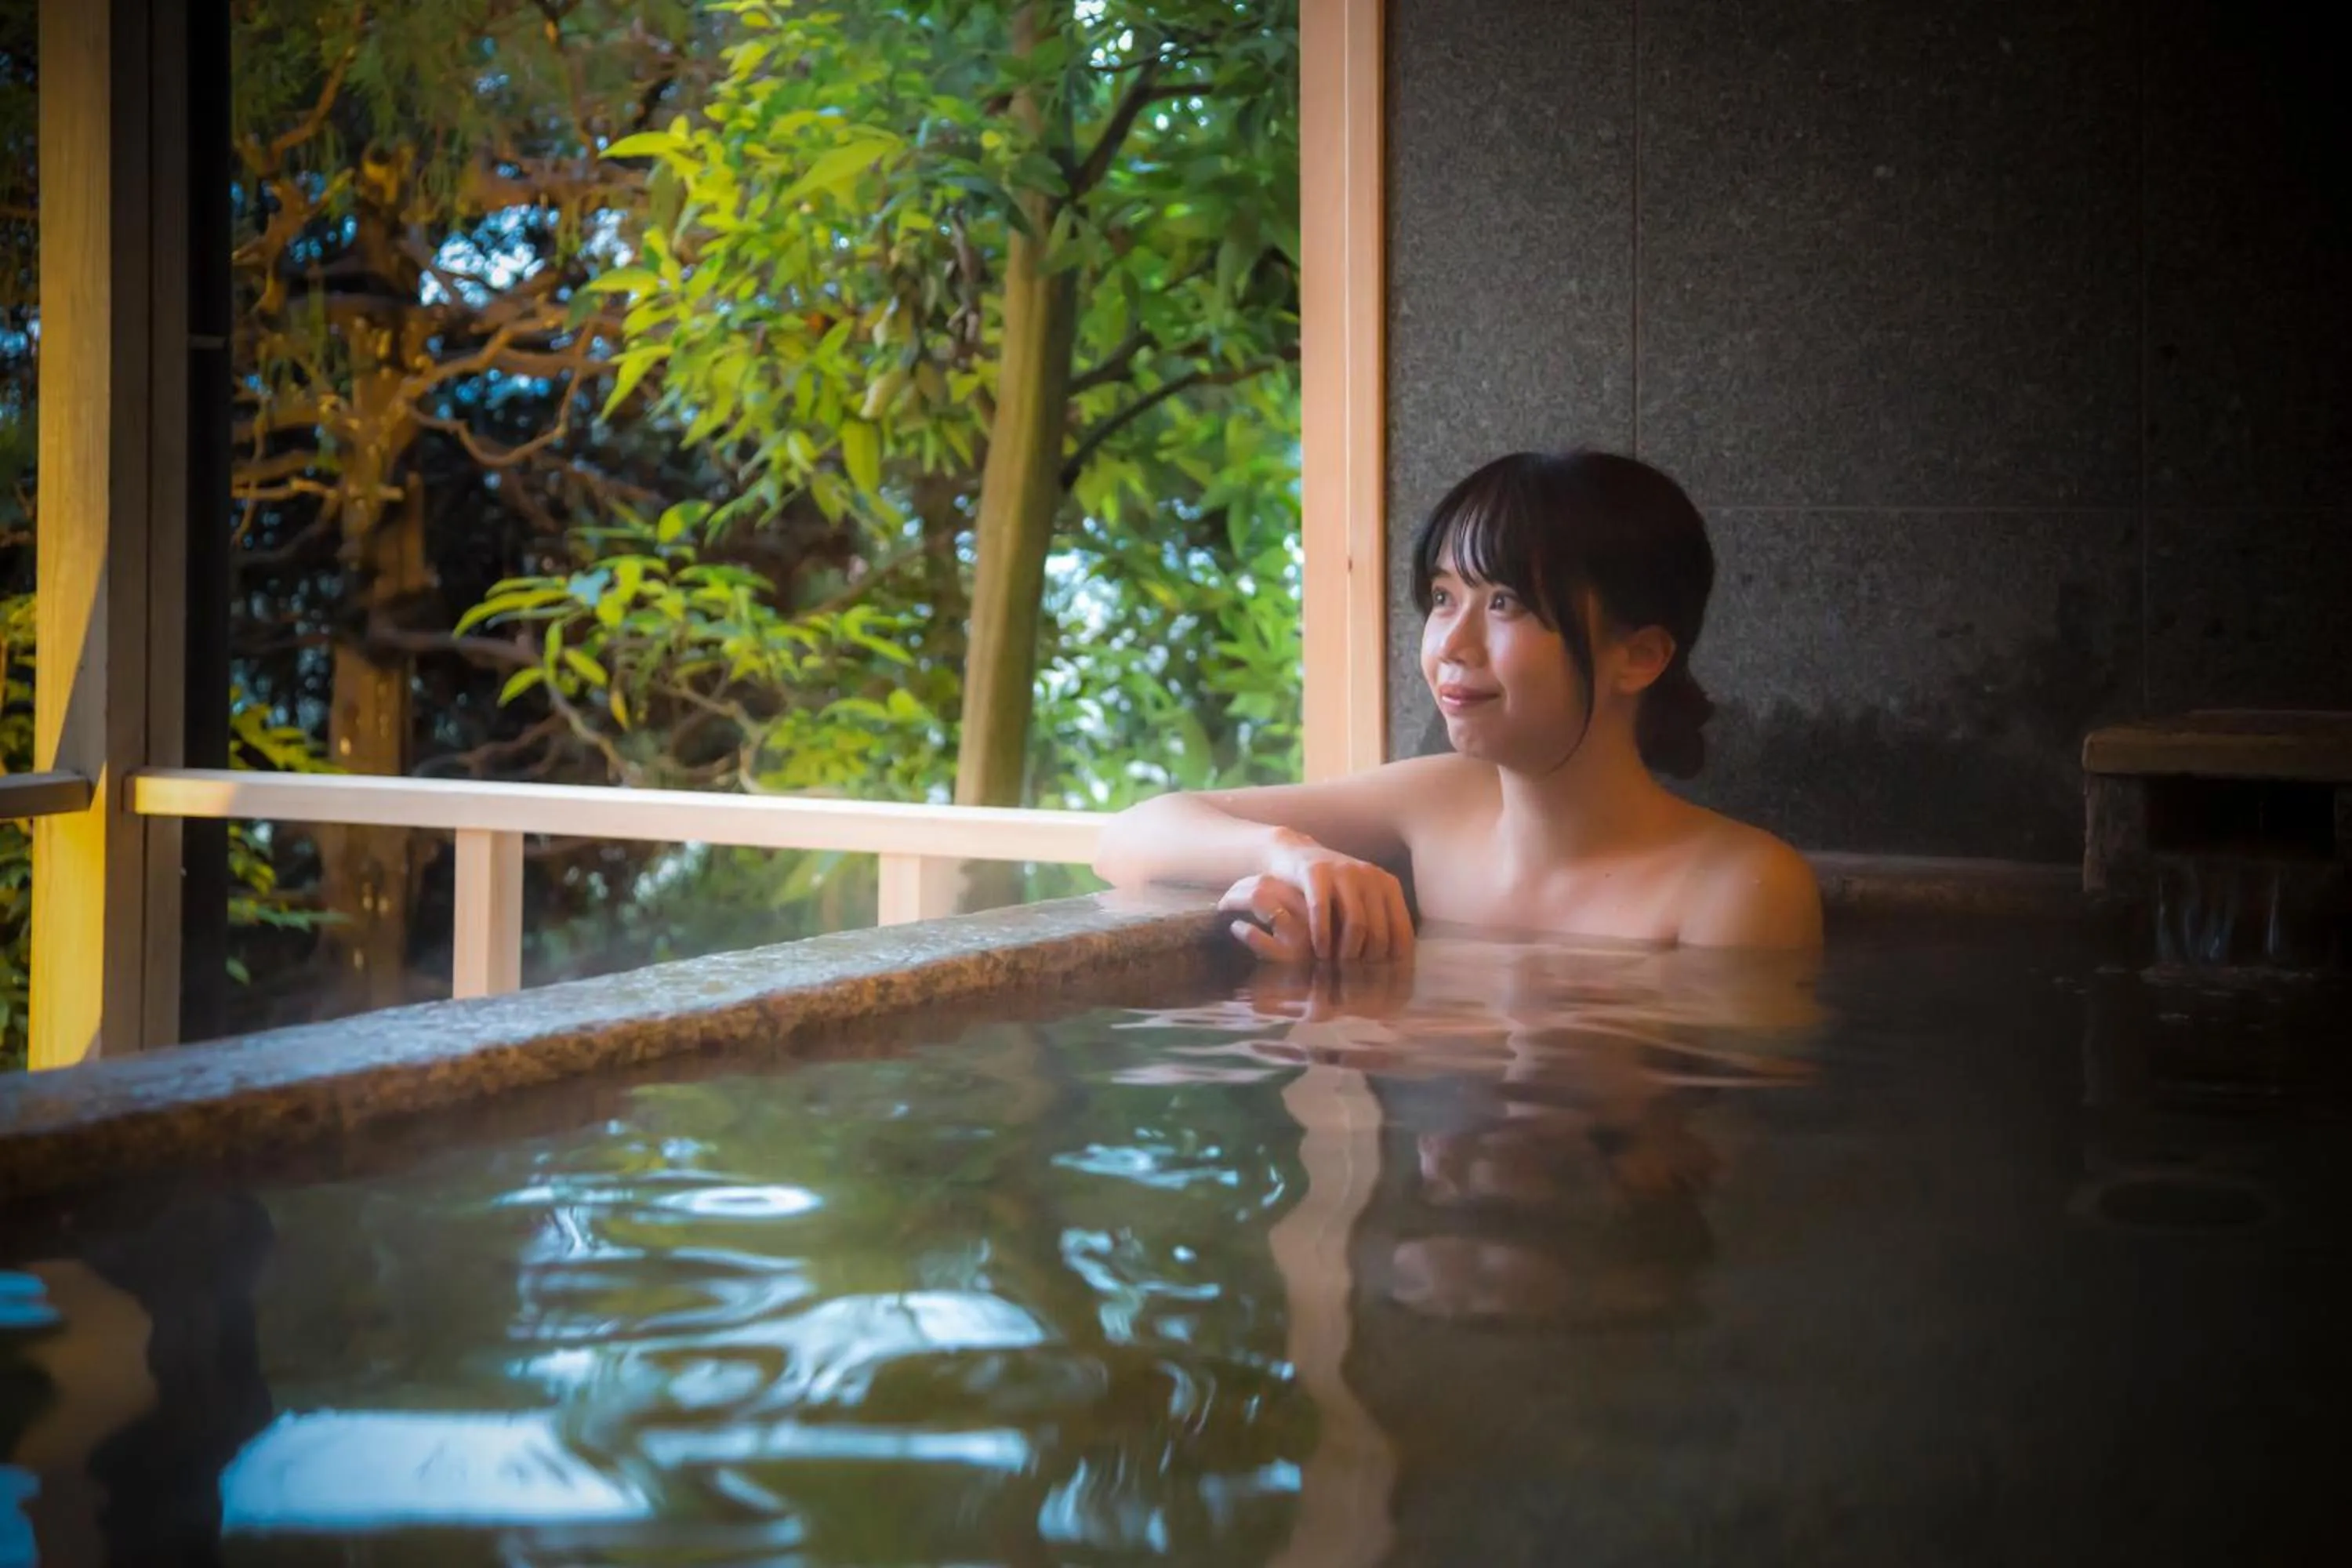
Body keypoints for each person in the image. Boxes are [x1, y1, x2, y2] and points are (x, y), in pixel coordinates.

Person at [1093, 448, 1823, 960]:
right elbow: (1129, 837)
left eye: (1505, 602)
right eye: (1444, 598)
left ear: (1640, 656)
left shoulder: (1737, 890)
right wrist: (1289, 855)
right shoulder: (1443, 800)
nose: (1451, 643)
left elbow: (1690, 1146)